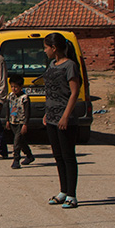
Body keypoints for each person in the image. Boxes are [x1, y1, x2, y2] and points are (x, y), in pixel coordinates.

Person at [43, 32, 81, 208]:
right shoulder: (52, 64)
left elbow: (74, 92)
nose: (45, 51)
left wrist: (65, 116)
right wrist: (46, 113)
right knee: (58, 156)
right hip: (51, 117)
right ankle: (63, 191)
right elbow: (51, 92)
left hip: (65, 118)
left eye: (46, 47)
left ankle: (72, 195)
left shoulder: (70, 66)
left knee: (68, 156)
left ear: (54, 48)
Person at [4, 73, 35, 169]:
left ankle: (16, 159)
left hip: (21, 123)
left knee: (16, 141)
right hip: (13, 121)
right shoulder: (10, 97)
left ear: (21, 87)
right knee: (21, 141)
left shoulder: (24, 98)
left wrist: (25, 124)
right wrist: (7, 120)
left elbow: (27, 112)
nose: (14, 89)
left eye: (16, 87)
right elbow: (8, 109)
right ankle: (29, 155)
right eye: (12, 87)